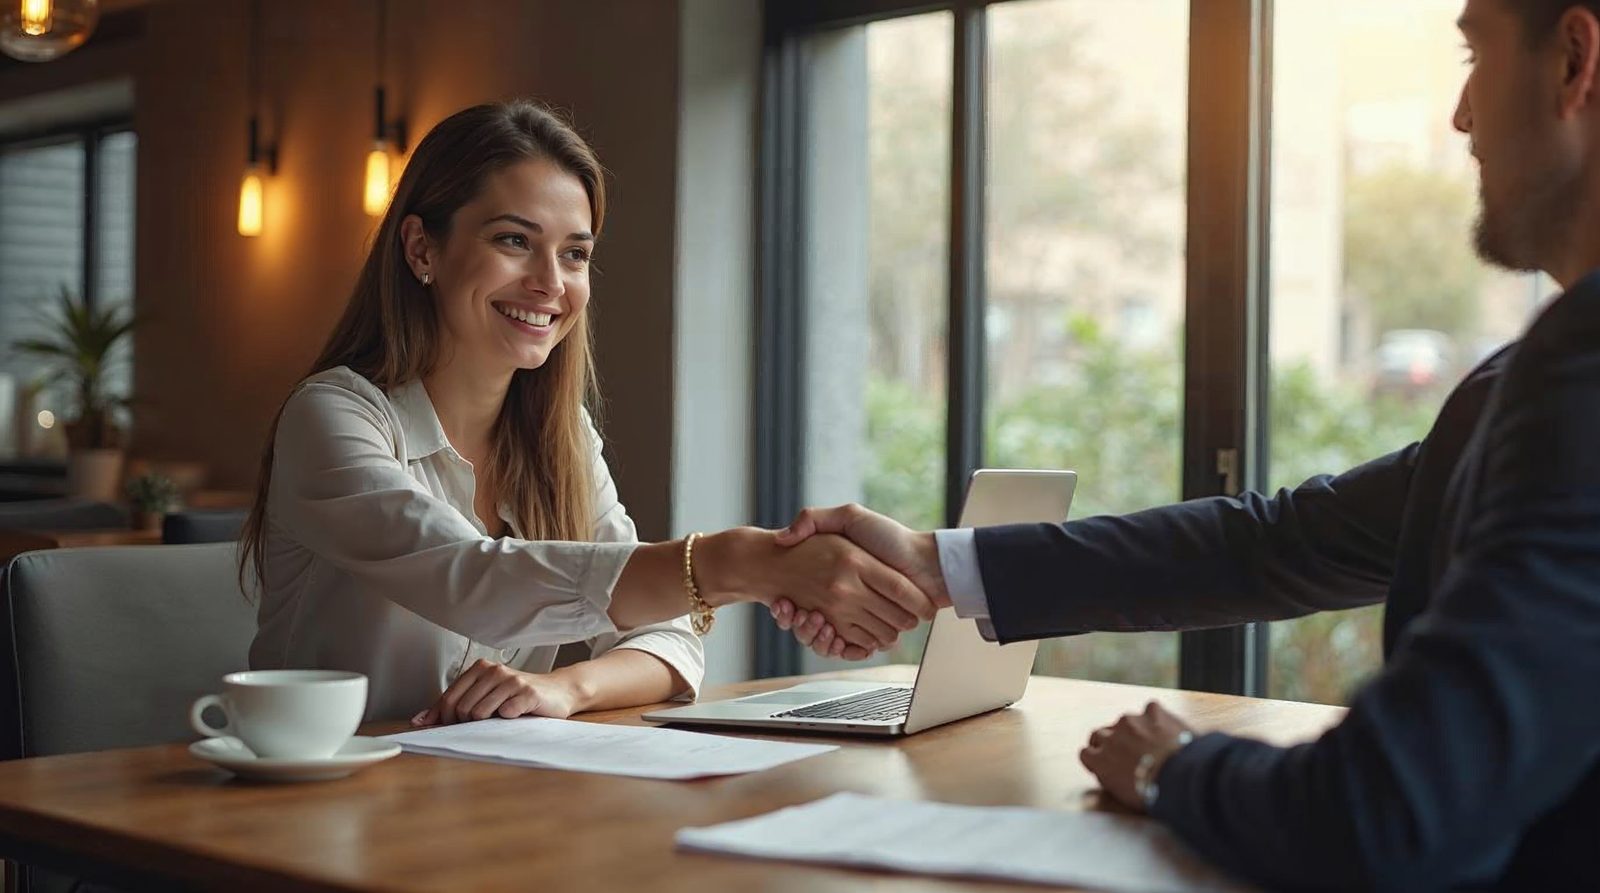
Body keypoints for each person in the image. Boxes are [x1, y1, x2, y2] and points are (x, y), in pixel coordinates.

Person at [769, 0, 1600, 888]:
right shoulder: (1520, 378)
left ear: (1573, 61)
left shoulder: (1581, 362)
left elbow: (1384, 809)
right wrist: (940, 567)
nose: (1462, 116)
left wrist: (1174, 765)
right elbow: (1287, 540)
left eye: (1475, 55)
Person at [240, 100, 937, 726]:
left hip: (472, 795)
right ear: (423, 247)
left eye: (574, 254)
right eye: (514, 240)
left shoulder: (562, 435)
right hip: (319, 798)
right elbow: (471, 578)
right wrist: (734, 562)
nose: (550, 282)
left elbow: (668, 638)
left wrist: (565, 687)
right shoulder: (333, 416)